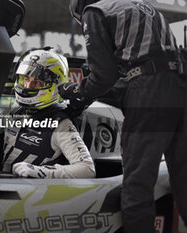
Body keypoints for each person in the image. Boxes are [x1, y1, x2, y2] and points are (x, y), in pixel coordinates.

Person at [60, 0, 187, 232]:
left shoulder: (94, 11)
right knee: (184, 180)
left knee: (137, 184)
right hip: (179, 87)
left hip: (149, 94)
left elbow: (104, 75)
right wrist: (87, 96)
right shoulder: (141, 6)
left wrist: (78, 92)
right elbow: (135, 73)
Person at [0, 48, 96, 178]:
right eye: (26, 79)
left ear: (54, 86)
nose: (27, 86)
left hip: (31, 192)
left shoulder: (62, 124)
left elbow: (87, 169)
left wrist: (40, 171)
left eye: (37, 82)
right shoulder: (13, 109)